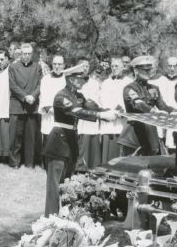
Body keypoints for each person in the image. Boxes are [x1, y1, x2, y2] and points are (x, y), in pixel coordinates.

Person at [42, 64, 116, 216]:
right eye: (80, 79)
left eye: (85, 79)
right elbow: (77, 111)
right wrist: (101, 116)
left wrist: (109, 111)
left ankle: (65, 215)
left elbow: (91, 107)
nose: (83, 82)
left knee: (68, 183)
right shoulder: (61, 96)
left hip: (71, 141)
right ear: (71, 79)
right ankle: (50, 218)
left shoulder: (78, 96)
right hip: (59, 141)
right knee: (54, 185)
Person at [119, 55, 175, 156]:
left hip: (151, 131)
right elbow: (138, 104)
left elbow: (163, 106)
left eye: (149, 70)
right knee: (132, 166)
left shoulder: (154, 88)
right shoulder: (129, 88)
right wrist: (154, 112)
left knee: (152, 163)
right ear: (135, 71)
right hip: (134, 133)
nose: (147, 72)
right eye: (144, 70)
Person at [8, 43, 42, 168]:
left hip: (32, 106)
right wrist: (24, 96)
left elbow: (40, 84)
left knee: (31, 137)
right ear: (20, 54)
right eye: (24, 54)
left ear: (32, 54)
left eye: (29, 54)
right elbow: (13, 85)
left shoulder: (37, 67)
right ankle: (14, 162)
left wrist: (33, 96)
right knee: (15, 137)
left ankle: (30, 162)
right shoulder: (13, 67)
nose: (27, 56)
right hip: (18, 105)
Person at [100, 56, 133, 162]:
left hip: (121, 123)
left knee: (120, 153)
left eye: (116, 66)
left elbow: (130, 101)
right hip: (108, 121)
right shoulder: (106, 82)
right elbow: (102, 101)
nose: (114, 68)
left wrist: (121, 111)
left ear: (123, 66)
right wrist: (108, 112)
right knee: (107, 153)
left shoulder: (129, 82)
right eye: (112, 66)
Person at [77, 62, 107, 171]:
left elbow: (99, 102)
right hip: (81, 123)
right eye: (82, 66)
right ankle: (80, 173)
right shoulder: (74, 82)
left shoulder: (95, 84)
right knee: (82, 152)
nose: (84, 68)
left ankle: (93, 174)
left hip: (94, 124)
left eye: (86, 66)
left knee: (94, 155)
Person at [38, 55, 66, 143]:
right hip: (49, 119)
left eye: (59, 64)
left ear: (64, 65)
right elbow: (43, 99)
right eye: (54, 64)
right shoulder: (46, 79)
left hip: (64, 120)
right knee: (48, 148)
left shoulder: (67, 80)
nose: (57, 66)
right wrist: (52, 109)